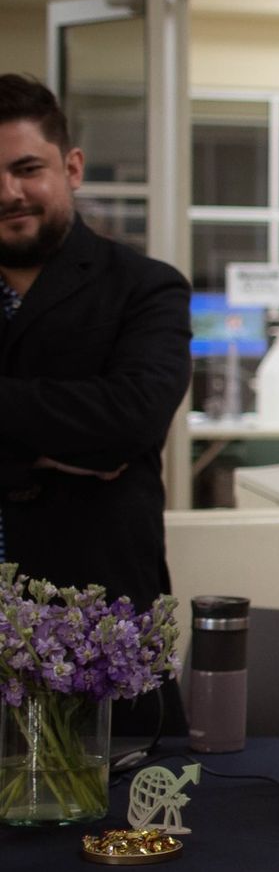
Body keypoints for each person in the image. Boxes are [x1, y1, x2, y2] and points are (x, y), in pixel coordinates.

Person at [0, 75, 191, 734]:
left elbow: (130, 419)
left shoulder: (145, 289)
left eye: (27, 168)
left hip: (97, 629)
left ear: (72, 167)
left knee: (119, 794)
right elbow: (99, 423)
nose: (8, 192)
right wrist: (46, 450)